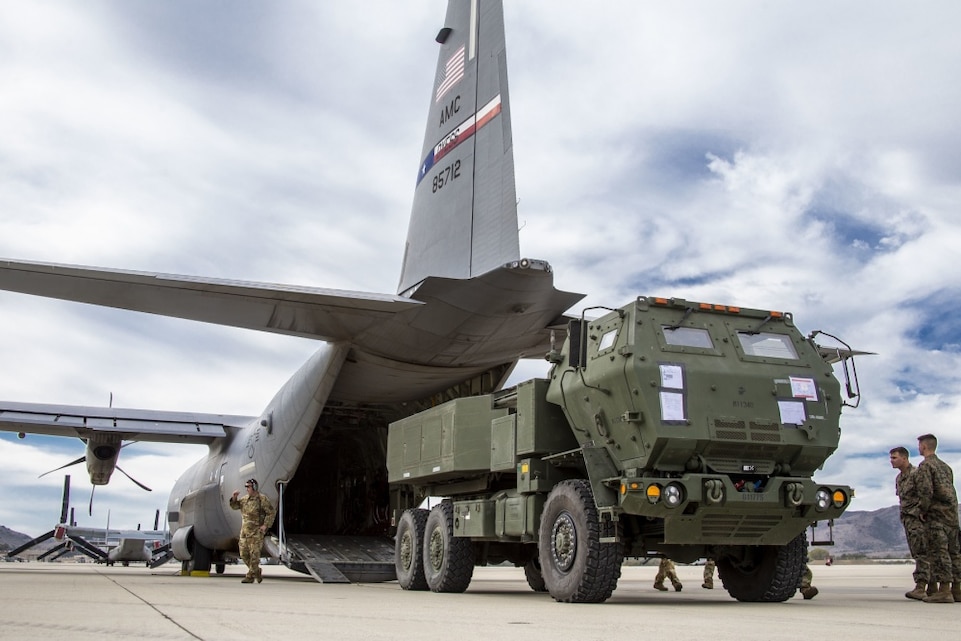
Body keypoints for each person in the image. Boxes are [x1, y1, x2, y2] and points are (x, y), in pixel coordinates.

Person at [913, 434, 961, 604]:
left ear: (924, 447)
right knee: (954, 552)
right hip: (952, 515)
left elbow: (926, 492)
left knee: (939, 552)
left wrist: (922, 510)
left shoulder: (925, 466)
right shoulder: (946, 467)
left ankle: (944, 590)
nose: (918, 448)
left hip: (937, 516)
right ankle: (957, 589)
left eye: (919, 445)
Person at [890, 445, 929, 599]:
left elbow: (925, 495)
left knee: (922, 552)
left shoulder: (916, 474)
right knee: (916, 551)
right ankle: (927, 586)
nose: (891, 461)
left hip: (918, 518)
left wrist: (921, 513)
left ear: (904, 458)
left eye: (894, 457)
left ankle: (922, 586)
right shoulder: (899, 478)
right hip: (908, 519)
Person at [229, 478, 276, 584]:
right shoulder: (245, 499)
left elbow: (271, 512)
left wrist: (265, 525)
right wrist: (234, 498)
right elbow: (234, 506)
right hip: (245, 531)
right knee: (244, 554)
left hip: (256, 532)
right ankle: (256, 571)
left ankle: (250, 576)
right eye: (246, 486)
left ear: (254, 487)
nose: (247, 489)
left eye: (248, 486)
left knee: (254, 555)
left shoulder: (261, 499)